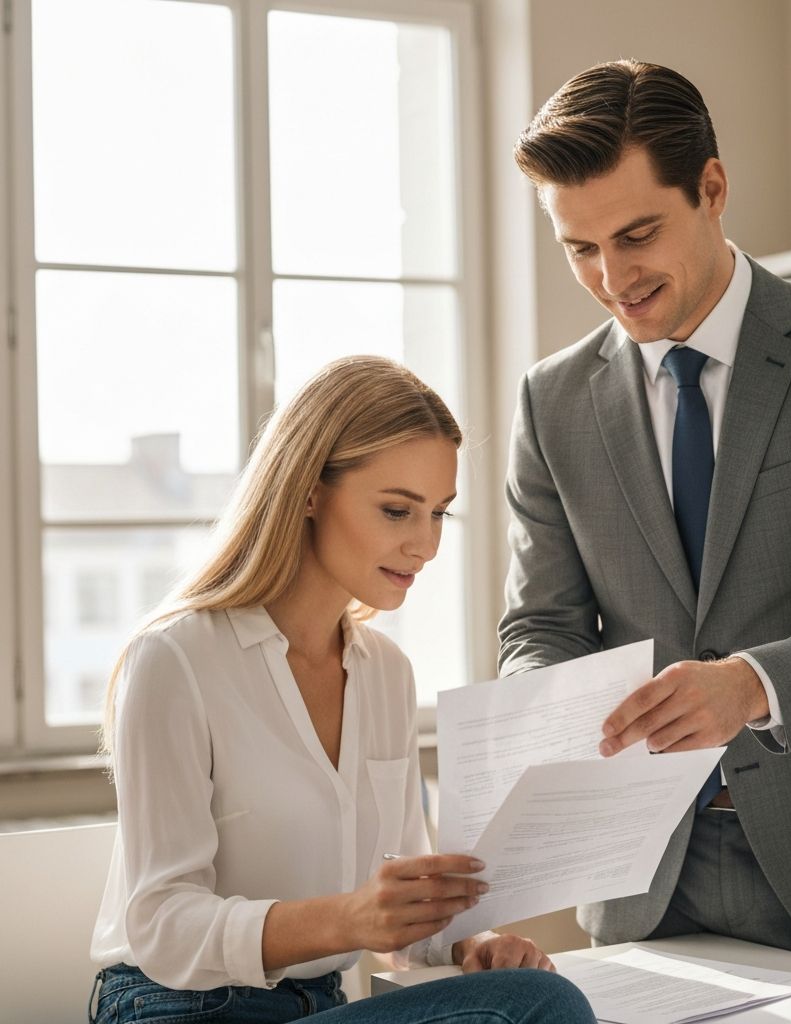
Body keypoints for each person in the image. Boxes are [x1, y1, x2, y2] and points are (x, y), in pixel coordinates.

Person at [498, 59, 791, 983]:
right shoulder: (551, 399)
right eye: (579, 248)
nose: (611, 277)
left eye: (637, 235)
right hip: (643, 880)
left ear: (712, 188)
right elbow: (540, 627)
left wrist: (752, 685)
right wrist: (553, 705)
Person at [90, 355, 596, 1024]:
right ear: (308, 491)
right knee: (538, 1010)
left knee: (536, 998)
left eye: (439, 514)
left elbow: (404, 901)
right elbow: (161, 923)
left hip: (318, 1007)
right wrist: (349, 920)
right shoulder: (177, 659)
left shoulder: (386, 673)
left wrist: (474, 942)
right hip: (175, 1006)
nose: (426, 545)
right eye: (396, 510)